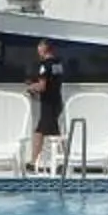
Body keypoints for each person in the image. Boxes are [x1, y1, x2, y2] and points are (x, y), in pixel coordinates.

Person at [23, 38, 69, 172]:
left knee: (45, 133)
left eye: (39, 50)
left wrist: (31, 86)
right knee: (48, 132)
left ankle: (35, 162)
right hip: (56, 101)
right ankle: (62, 161)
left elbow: (43, 86)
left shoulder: (44, 65)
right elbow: (54, 82)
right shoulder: (58, 64)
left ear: (44, 50)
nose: (38, 53)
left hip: (48, 103)